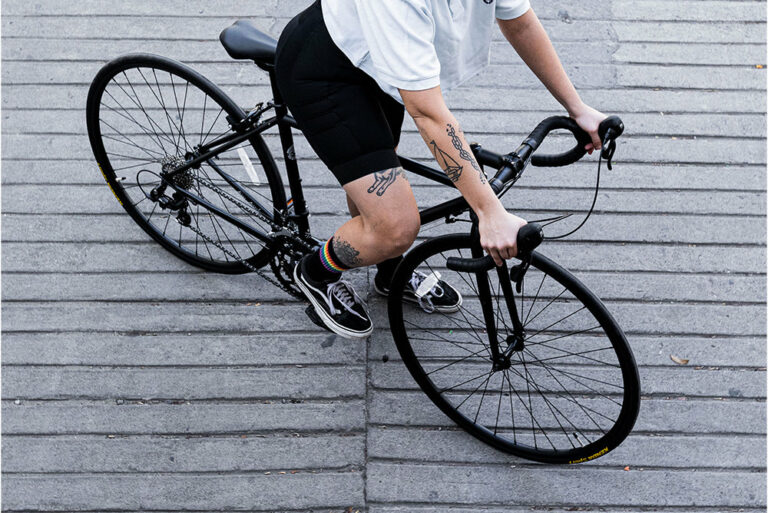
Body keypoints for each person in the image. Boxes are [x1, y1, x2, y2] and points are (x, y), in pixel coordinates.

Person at [274, 0, 606, 339]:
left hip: (381, 64)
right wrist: (489, 210)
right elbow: (429, 114)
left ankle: (390, 272)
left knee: (382, 182)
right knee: (395, 228)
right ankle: (315, 271)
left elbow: (520, 23)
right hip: (325, 73)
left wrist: (577, 109)